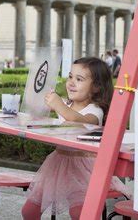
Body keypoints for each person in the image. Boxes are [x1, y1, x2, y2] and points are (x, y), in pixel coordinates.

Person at [21, 57, 115, 219]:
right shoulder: (66, 105)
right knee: (29, 211)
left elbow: (80, 121)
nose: (71, 82)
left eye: (79, 79)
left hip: (83, 168)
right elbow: (42, 112)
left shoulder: (95, 110)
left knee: (80, 213)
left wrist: (59, 105)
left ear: (97, 87)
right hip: (57, 163)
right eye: (70, 76)